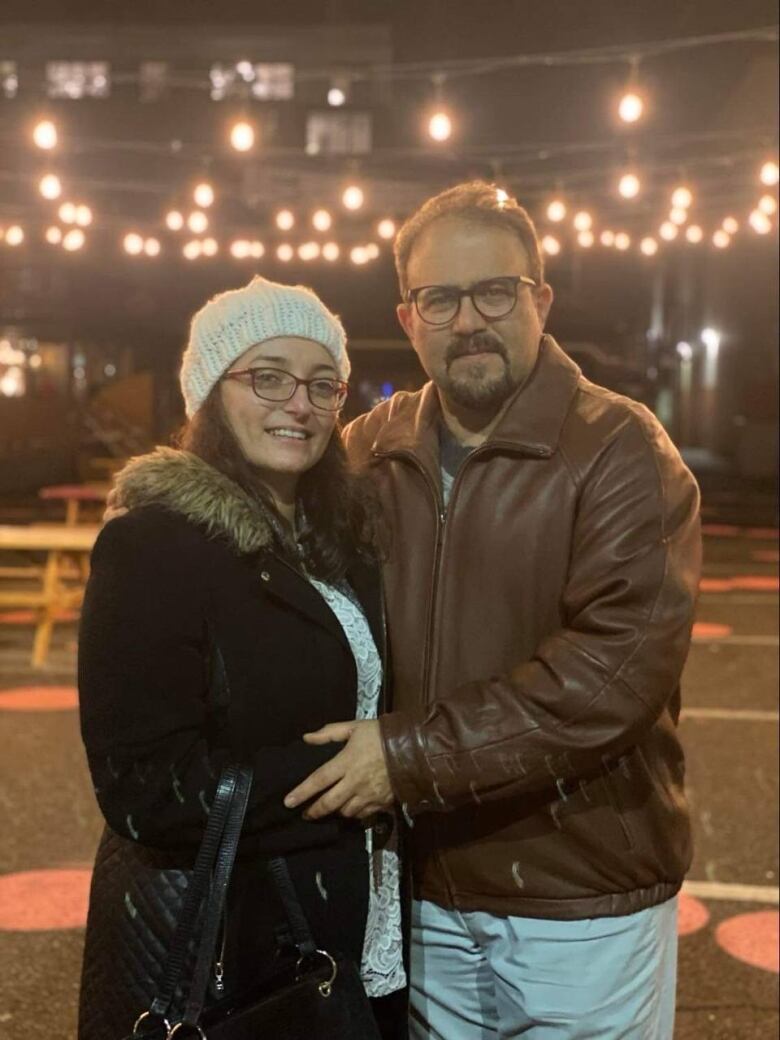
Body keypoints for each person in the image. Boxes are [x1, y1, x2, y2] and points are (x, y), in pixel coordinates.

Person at [284, 182, 702, 1039]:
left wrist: (403, 760)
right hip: (423, 892)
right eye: (440, 297)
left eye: (495, 291)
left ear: (539, 300)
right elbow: (261, 543)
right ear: (408, 318)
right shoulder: (371, 450)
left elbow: (605, 680)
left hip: (580, 897)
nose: (467, 318)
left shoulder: (621, 451)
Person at [77, 276, 408, 1039]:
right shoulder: (155, 546)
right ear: (209, 394)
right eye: (269, 377)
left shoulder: (340, 542)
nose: (299, 403)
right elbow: (142, 790)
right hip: (244, 947)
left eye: (323, 384)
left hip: (363, 934)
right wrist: (351, 779)